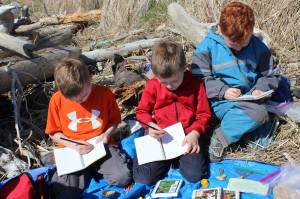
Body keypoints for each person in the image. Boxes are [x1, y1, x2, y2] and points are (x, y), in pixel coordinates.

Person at [191, 2, 288, 161]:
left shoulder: (258, 46)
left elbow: (270, 75)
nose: (241, 48)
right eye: (234, 44)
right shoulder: (206, 48)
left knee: (261, 136)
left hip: (249, 99)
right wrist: (223, 91)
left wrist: (261, 89)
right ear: (220, 30)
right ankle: (219, 138)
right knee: (259, 115)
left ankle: (230, 130)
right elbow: (198, 81)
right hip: (219, 101)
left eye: (245, 42)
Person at [45, 58, 132, 198]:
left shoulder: (104, 94)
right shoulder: (57, 99)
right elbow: (53, 132)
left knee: (122, 178)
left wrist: (106, 135)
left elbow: (114, 121)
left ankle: (92, 170)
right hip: (72, 150)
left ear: (90, 79)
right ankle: (86, 172)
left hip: (100, 145)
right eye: (74, 100)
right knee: (65, 191)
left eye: (84, 96)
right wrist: (73, 145)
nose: (80, 101)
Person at [133, 41, 212, 185]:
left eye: (174, 81)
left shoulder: (195, 84)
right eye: (164, 82)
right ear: (155, 75)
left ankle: (175, 161)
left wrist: (195, 133)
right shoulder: (153, 85)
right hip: (160, 135)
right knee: (143, 178)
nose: (170, 86)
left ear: (184, 68)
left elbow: (204, 115)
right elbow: (141, 111)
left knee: (195, 175)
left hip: (187, 135)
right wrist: (150, 126)